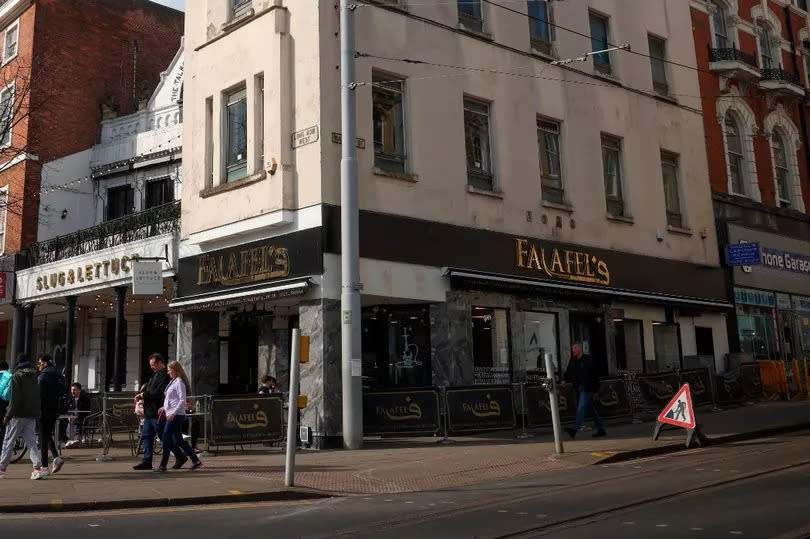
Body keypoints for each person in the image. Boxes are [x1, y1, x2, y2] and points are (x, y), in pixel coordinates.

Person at [132, 353, 186, 470]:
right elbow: (151, 390)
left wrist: (143, 394)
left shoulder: (165, 377)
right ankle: (147, 461)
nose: (152, 367)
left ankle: (180, 456)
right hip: (149, 412)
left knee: (164, 437)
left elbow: (159, 392)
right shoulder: (154, 375)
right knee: (147, 436)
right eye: (151, 365)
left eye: (153, 364)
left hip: (158, 412)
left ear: (160, 363)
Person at [0, 354, 46, 480]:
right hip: (31, 414)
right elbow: (37, 396)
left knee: (8, 442)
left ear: (18, 363)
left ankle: (1, 469)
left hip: (17, 414)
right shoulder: (34, 376)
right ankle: (38, 468)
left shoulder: (17, 376)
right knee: (31, 442)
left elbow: (14, 399)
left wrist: (7, 416)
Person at [154, 361, 201, 473]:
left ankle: (163, 466)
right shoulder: (173, 381)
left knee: (166, 438)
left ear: (175, 370)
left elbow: (182, 400)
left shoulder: (179, 382)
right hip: (171, 414)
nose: (168, 371)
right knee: (179, 440)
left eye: (170, 369)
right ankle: (195, 460)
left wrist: (173, 413)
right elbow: (171, 399)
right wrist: (164, 408)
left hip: (175, 415)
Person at [562, 343, 606, 439]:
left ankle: (574, 430)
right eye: (572, 349)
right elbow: (569, 371)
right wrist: (564, 379)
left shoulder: (588, 359)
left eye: (574, 348)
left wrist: (595, 390)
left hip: (588, 388)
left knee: (581, 408)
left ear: (580, 349)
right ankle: (601, 429)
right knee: (591, 410)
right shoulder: (573, 360)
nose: (572, 350)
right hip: (580, 387)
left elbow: (595, 375)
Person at [36, 355, 64, 476]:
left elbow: (39, 396)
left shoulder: (43, 376)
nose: (39, 365)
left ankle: (44, 467)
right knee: (47, 435)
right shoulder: (59, 375)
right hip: (54, 410)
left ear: (45, 363)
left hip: (43, 410)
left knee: (43, 437)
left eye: (40, 363)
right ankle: (56, 458)